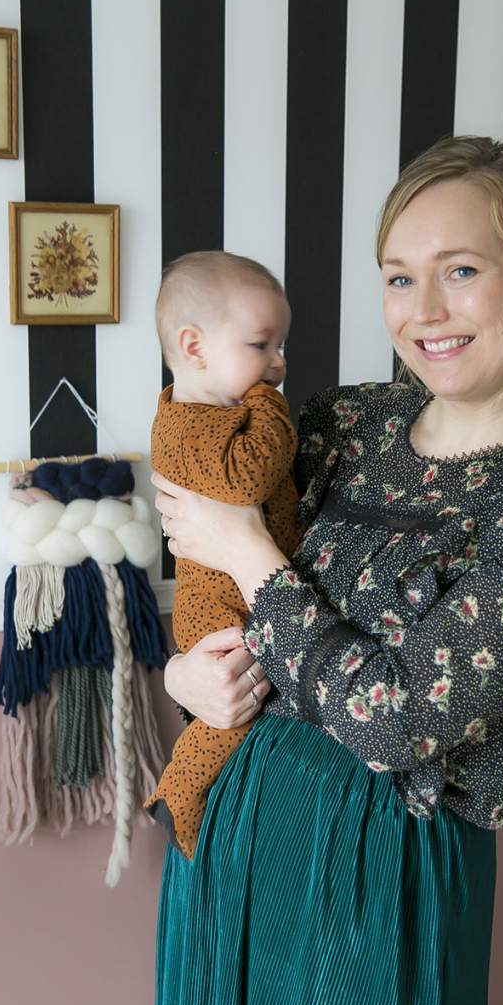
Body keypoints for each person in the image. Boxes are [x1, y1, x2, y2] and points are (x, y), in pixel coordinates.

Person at [151, 137, 503, 1005]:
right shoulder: (337, 423)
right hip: (232, 821)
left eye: (460, 270)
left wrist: (250, 552)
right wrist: (182, 673)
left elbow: (401, 719)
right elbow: (202, 557)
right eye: (399, 277)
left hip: (377, 869)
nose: (422, 311)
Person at [145, 250, 302, 859]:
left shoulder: (217, 412)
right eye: (262, 345)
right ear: (194, 346)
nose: (278, 364)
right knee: (228, 714)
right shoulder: (186, 426)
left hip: (242, 592)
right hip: (219, 609)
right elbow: (248, 479)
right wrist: (268, 404)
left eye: (280, 346)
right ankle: (177, 794)